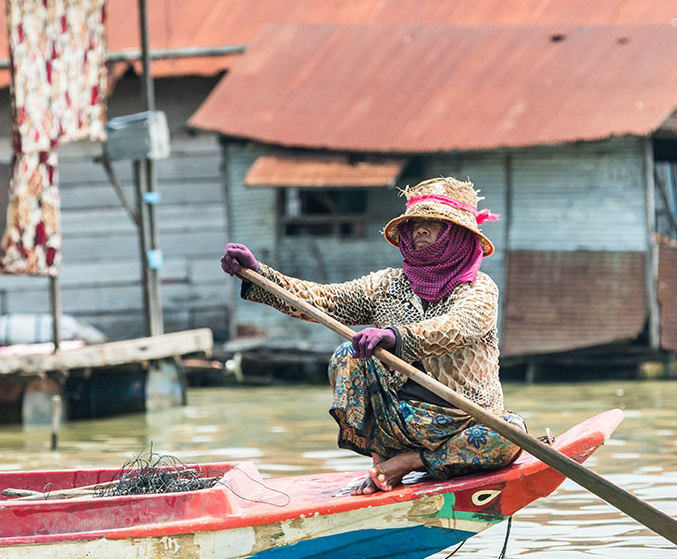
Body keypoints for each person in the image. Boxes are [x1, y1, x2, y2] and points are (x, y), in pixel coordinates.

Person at [220, 176, 527, 494]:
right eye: (415, 223)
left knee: (511, 433)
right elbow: (326, 301)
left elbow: (459, 326)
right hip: (401, 421)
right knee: (347, 354)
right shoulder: (387, 285)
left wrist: (396, 336)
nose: (419, 230)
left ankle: (408, 463)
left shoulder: (478, 288)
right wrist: (259, 273)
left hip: (462, 423)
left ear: (457, 234)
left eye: (433, 223)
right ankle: (381, 458)